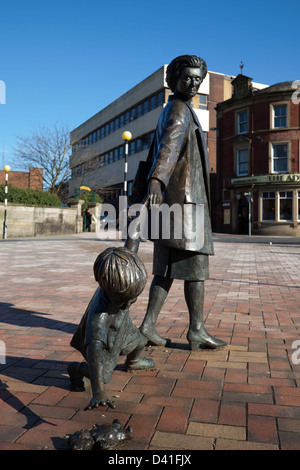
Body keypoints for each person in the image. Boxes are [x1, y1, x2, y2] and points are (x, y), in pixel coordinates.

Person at [133, 55, 227, 351]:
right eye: (187, 78)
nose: (194, 84)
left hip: (172, 203)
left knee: (166, 270)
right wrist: (157, 181)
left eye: (198, 79)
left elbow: (164, 149)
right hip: (185, 204)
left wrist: (156, 185)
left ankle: (148, 325)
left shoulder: (172, 108)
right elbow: (169, 148)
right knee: (195, 269)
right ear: (173, 80)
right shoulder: (180, 110)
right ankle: (196, 330)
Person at [68, 247, 155, 409]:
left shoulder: (117, 279)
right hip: (106, 337)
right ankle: (75, 368)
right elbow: (93, 349)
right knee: (103, 375)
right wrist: (98, 392)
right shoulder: (99, 316)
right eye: (126, 300)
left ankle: (133, 362)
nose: (130, 303)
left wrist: (134, 232)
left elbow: (128, 251)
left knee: (141, 341)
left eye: (133, 298)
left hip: (122, 325)